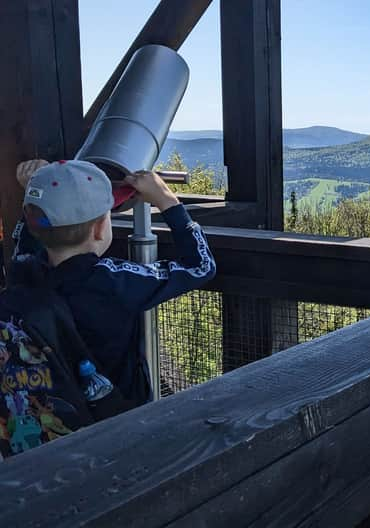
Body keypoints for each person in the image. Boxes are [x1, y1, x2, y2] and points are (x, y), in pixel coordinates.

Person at [10, 158, 216, 406]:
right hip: (116, 421)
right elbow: (201, 266)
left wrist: (39, 192)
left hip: (50, 418)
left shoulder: (23, 268)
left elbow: (29, 237)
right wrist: (167, 201)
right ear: (99, 230)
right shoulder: (112, 280)